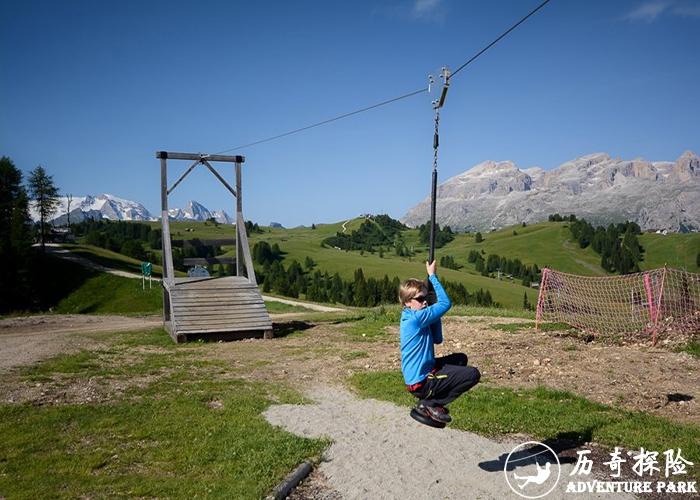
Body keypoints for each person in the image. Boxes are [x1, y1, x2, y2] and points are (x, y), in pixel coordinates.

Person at [399, 260, 480, 424]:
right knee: (473, 374)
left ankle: (432, 402)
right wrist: (433, 277)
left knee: (460, 359)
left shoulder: (419, 316)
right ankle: (429, 403)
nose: (424, 302)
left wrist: (433, 312)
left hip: (426, 370)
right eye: (420, 299)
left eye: (425, 299)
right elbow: (446, 303)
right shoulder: (414, 318)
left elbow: (437, 339)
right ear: (407, 302)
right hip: (421, 383)